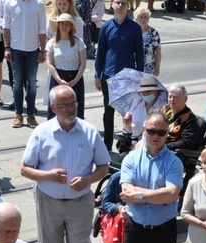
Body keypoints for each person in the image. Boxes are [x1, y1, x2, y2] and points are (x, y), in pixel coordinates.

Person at [21, 85, 110, 243]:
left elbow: (103, 166)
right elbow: (25, 169)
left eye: (73, 104)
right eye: (64, 105)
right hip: (48, 200)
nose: (70, 109)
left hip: (79, 202)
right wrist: (47, 175)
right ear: (53, 107)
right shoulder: (41, 133)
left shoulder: (89, 131)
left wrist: (88, 180)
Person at [120, 112, 183, 243]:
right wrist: (157, 195)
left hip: (163, 229)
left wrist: (138, 195)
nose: (155, 136)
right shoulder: (131, 158)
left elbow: (171, 195)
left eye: (161, 132)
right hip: (136, 228)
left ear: (167, 134)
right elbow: (125, 189)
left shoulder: (174, 162)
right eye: (151, 131)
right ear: (144, 130)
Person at [94, 0, 144, 150]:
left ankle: (127, 144)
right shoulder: (106, 26)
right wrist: (97, 74)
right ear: (112, 5)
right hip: (108, 75)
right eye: (117, 2)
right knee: (108, 112)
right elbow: (100, 52)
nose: (120, 5)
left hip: (127, 78)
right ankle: (107, 145)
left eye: (123, 3)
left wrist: (140, 76)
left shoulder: (135, 28)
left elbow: (139, 54)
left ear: (128, 6)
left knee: (128, 114)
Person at [3, 0, 47, 129]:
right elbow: (6, 27)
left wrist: (43, 50)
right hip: (15, 49)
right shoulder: (9, 4)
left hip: (33, 50)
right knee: (17, 82)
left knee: (32, 82)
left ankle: (31, 115)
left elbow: (42, 28)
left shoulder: (38, 4)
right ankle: (18, 114)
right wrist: (6, 48)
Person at [46, 14, 87, 120]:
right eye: (62, 23)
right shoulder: (52, 42)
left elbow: (83, 63)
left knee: (75, 110)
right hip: (58, 78)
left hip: (75, 78)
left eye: (67, 24)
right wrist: (59, 79)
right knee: (57, 108)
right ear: (58, 25)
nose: (64, 26)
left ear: (71, 27)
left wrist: (76, 79)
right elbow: (50, 63)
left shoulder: (79, 42)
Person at [117, 74, 165, 149]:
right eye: (143, 91)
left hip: (154, 146)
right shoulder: (137, 103)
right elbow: (128, 130)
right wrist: (127, 124)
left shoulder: (163, 106)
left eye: (148, 91)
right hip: (134, 145)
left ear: (156, 91)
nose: (145, 94)